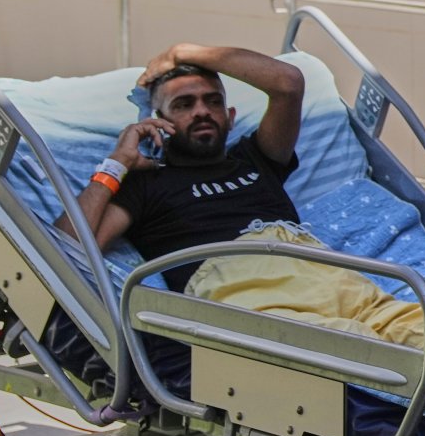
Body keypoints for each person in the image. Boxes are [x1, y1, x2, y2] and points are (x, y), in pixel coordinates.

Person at [74, 44, 309, 292]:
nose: (202, 112)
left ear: (230, 118)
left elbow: (289, 83)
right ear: (158, 122)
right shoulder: (145, 185)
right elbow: (67, 250)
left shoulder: (257, 158)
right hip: (240, 302)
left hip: (314, 277)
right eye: (184, 104)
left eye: (213, 101)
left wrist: (180, 53)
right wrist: (117, 162)